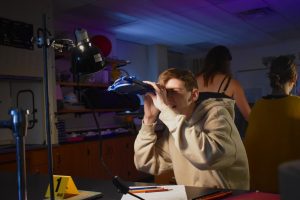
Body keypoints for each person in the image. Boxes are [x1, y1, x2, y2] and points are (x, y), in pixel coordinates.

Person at [134, 68, 249, 190]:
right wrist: (148, 120)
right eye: (164, 92)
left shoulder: (217, 115)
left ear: (194, 95)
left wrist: (166, 111)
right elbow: (146, 163)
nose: (167, 98)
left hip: (228, 196)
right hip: (193, 195)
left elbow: (207, 158)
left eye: (174, 91)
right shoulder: (175, 126)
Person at [243, 56, 300, 193]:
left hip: (258, 186)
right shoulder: (297, 105)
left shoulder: (258, 107)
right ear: (294, 79)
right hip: (289, 185)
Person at [196, 45, 251, 121]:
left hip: (196, 129)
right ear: (226, 63)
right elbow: (249, 116)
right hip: (220, 130)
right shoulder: (231, 83)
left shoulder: (195, 80)